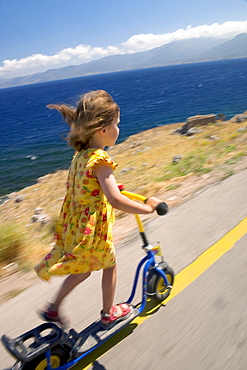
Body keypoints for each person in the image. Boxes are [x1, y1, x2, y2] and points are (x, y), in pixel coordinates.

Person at [35, 90, 162, 329]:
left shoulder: (81, 155)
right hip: (93, 230)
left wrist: (106, 187)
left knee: (83, 270)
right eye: (117, 124)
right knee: (109, 266)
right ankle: (108, 313)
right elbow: (115, 200)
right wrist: (147, 208)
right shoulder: (100, 160)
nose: (119, 129)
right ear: (103, 130)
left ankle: (53, 309)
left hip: (75, 226)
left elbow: (90, 187)